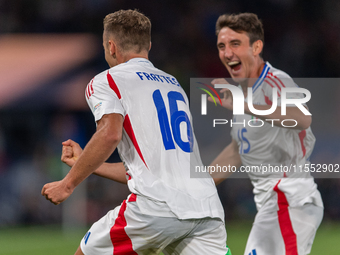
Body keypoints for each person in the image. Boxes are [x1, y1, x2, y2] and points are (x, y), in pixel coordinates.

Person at [41, 9, 230, 255]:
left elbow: (110, 134)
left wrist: (67, 184)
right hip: (206, 208)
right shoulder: (174, 84)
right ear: (148, 45)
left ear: (110, 46)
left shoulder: (107, 80)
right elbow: (150, 166)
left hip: (156, 208)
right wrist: (87, 163)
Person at [209, 13, 323, 255]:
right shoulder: (246, 93)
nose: (227, 53)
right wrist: (195, 185)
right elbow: (237, 151)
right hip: (272, 208)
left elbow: (302, 118)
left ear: (256, 46)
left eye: (235, 44)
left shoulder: (276, 81)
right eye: (222, 46)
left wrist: (244, 105)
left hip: (290, 202)